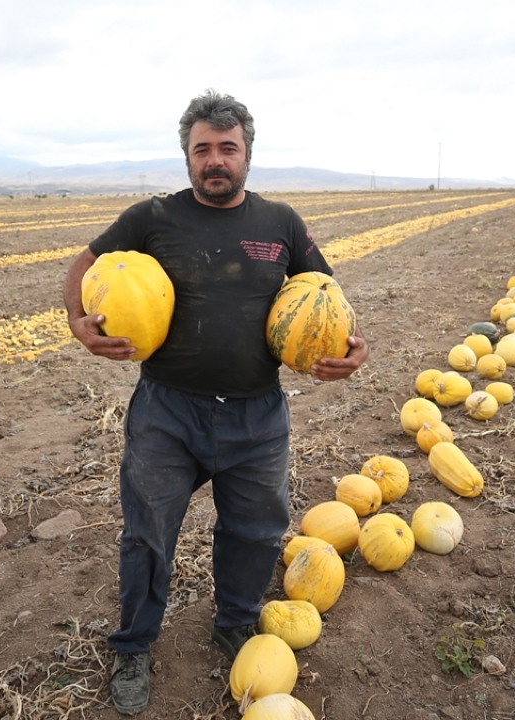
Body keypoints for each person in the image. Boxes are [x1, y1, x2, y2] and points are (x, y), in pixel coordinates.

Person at [62, 89, 367, 715]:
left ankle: (234, 622)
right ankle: (134, 644)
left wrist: (348, 350)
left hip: (257, 413)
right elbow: (84, 265)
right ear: (188, 156)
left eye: (228, 148)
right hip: (167, 412)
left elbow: (325, 293)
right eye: (203, 149)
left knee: (255, 532)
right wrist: (78, 323)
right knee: (147, 533)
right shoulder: (152, 218)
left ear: (248, 154)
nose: (215, 160)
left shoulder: (281, 223)